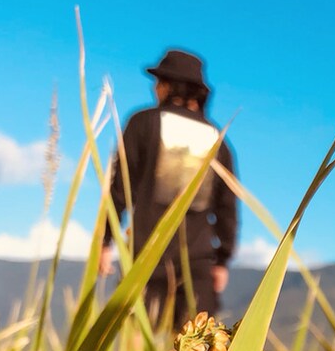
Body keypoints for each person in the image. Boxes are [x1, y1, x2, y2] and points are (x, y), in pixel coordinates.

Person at [100, 48, 238, 328]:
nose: (155, 88)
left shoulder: (142, 123)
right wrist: (222, 259)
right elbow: (227, 208)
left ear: (167, 86)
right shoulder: (219, 141)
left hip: (145, 256)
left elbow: (118, 187)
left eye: (159, 82)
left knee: (137, 345)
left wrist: (105, 241)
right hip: (197, 261)